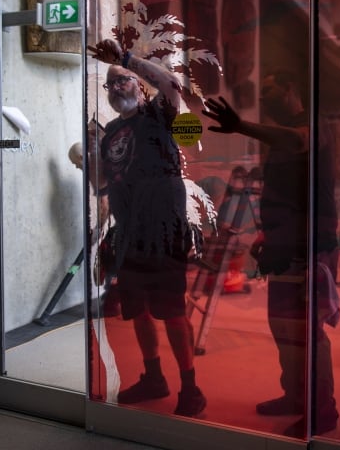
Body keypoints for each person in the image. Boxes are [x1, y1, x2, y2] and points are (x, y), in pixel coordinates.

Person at [203, 69, 340, 437]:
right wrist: (266, 231)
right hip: (283, 241)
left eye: (271, 90)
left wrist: (242, 126)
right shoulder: (277, 135)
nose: (267, 99)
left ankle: (323, 411)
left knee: (307, 330)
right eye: (263, 96)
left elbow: (299, 142)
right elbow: (283, 189)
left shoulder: (315, 125)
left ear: (292, 85)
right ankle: (296, 397)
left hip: (312, 242)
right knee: (283, 324)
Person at [85, 38, 205, 417]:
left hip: (165, 231)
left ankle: (191, 387)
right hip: (128, 234)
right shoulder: (109, 135)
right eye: (111, 83)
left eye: (124, 80)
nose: (118, 86)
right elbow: (102, 187)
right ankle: (154, 377)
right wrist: (90, 157)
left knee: (170, 311)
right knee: (135, 310)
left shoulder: (158, 115)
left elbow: (171, 84)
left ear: (139, 85)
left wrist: (125, 59)